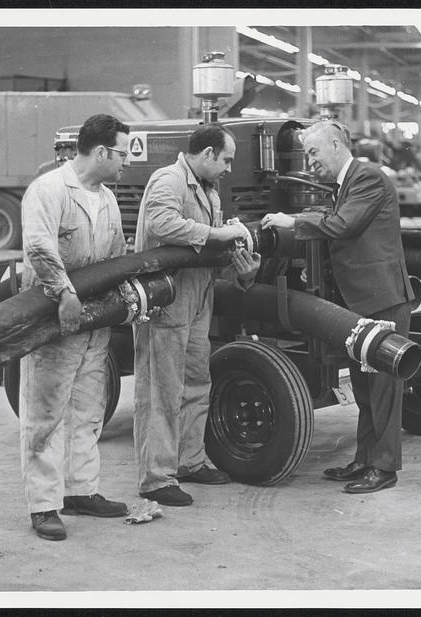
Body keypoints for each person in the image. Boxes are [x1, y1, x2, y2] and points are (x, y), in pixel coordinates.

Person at [261, 120, 414, 494]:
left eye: (313, 153)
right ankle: (364, 460)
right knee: (364, 386)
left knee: (383, 390)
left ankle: (385, 467)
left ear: (335, 144)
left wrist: (292, 220)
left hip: (382, 298)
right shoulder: (343, 185)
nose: (310, 162)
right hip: (361, 300)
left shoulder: (367, 178)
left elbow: (343, 225)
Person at [133, 125, 260, 507]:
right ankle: (156, 478)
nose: (228, 167)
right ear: (206, 154)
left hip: (198, 297)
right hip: (166, 300)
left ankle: (189, 461)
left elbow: (206, 248)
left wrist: (242, 268)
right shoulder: (169, 179)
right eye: (226, 159)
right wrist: (218, 234)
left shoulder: (208, 190)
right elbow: (162, 224)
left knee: (195, 382)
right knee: (161, 390)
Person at [19, 114, 132, 540]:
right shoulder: (48, 190)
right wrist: (65, 293)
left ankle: (81, 490)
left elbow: (117, 254)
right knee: (45, 414)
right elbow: (39, 247)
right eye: (122, 153)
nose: (125, 162)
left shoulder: (107, 198)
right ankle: (44, 505)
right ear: (101, 152)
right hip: (53, 319)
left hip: (94, 323)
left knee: (88, 410)